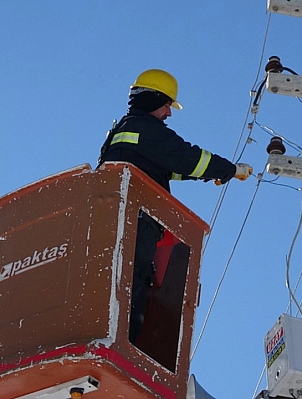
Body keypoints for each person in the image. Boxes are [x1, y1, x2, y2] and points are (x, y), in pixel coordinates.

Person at [98, 69, 252, 344]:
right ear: (154, 99)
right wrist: (228, 169)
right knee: (133, 277)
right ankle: (124, 344)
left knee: (116, 277)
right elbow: (185, 158)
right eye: (167, 104)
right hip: (137, 219)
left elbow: (168, 166)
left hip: (114, 217)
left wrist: (212, 174)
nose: (169, 113)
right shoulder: (146, 129)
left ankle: (111, 335)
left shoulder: (124, 130)